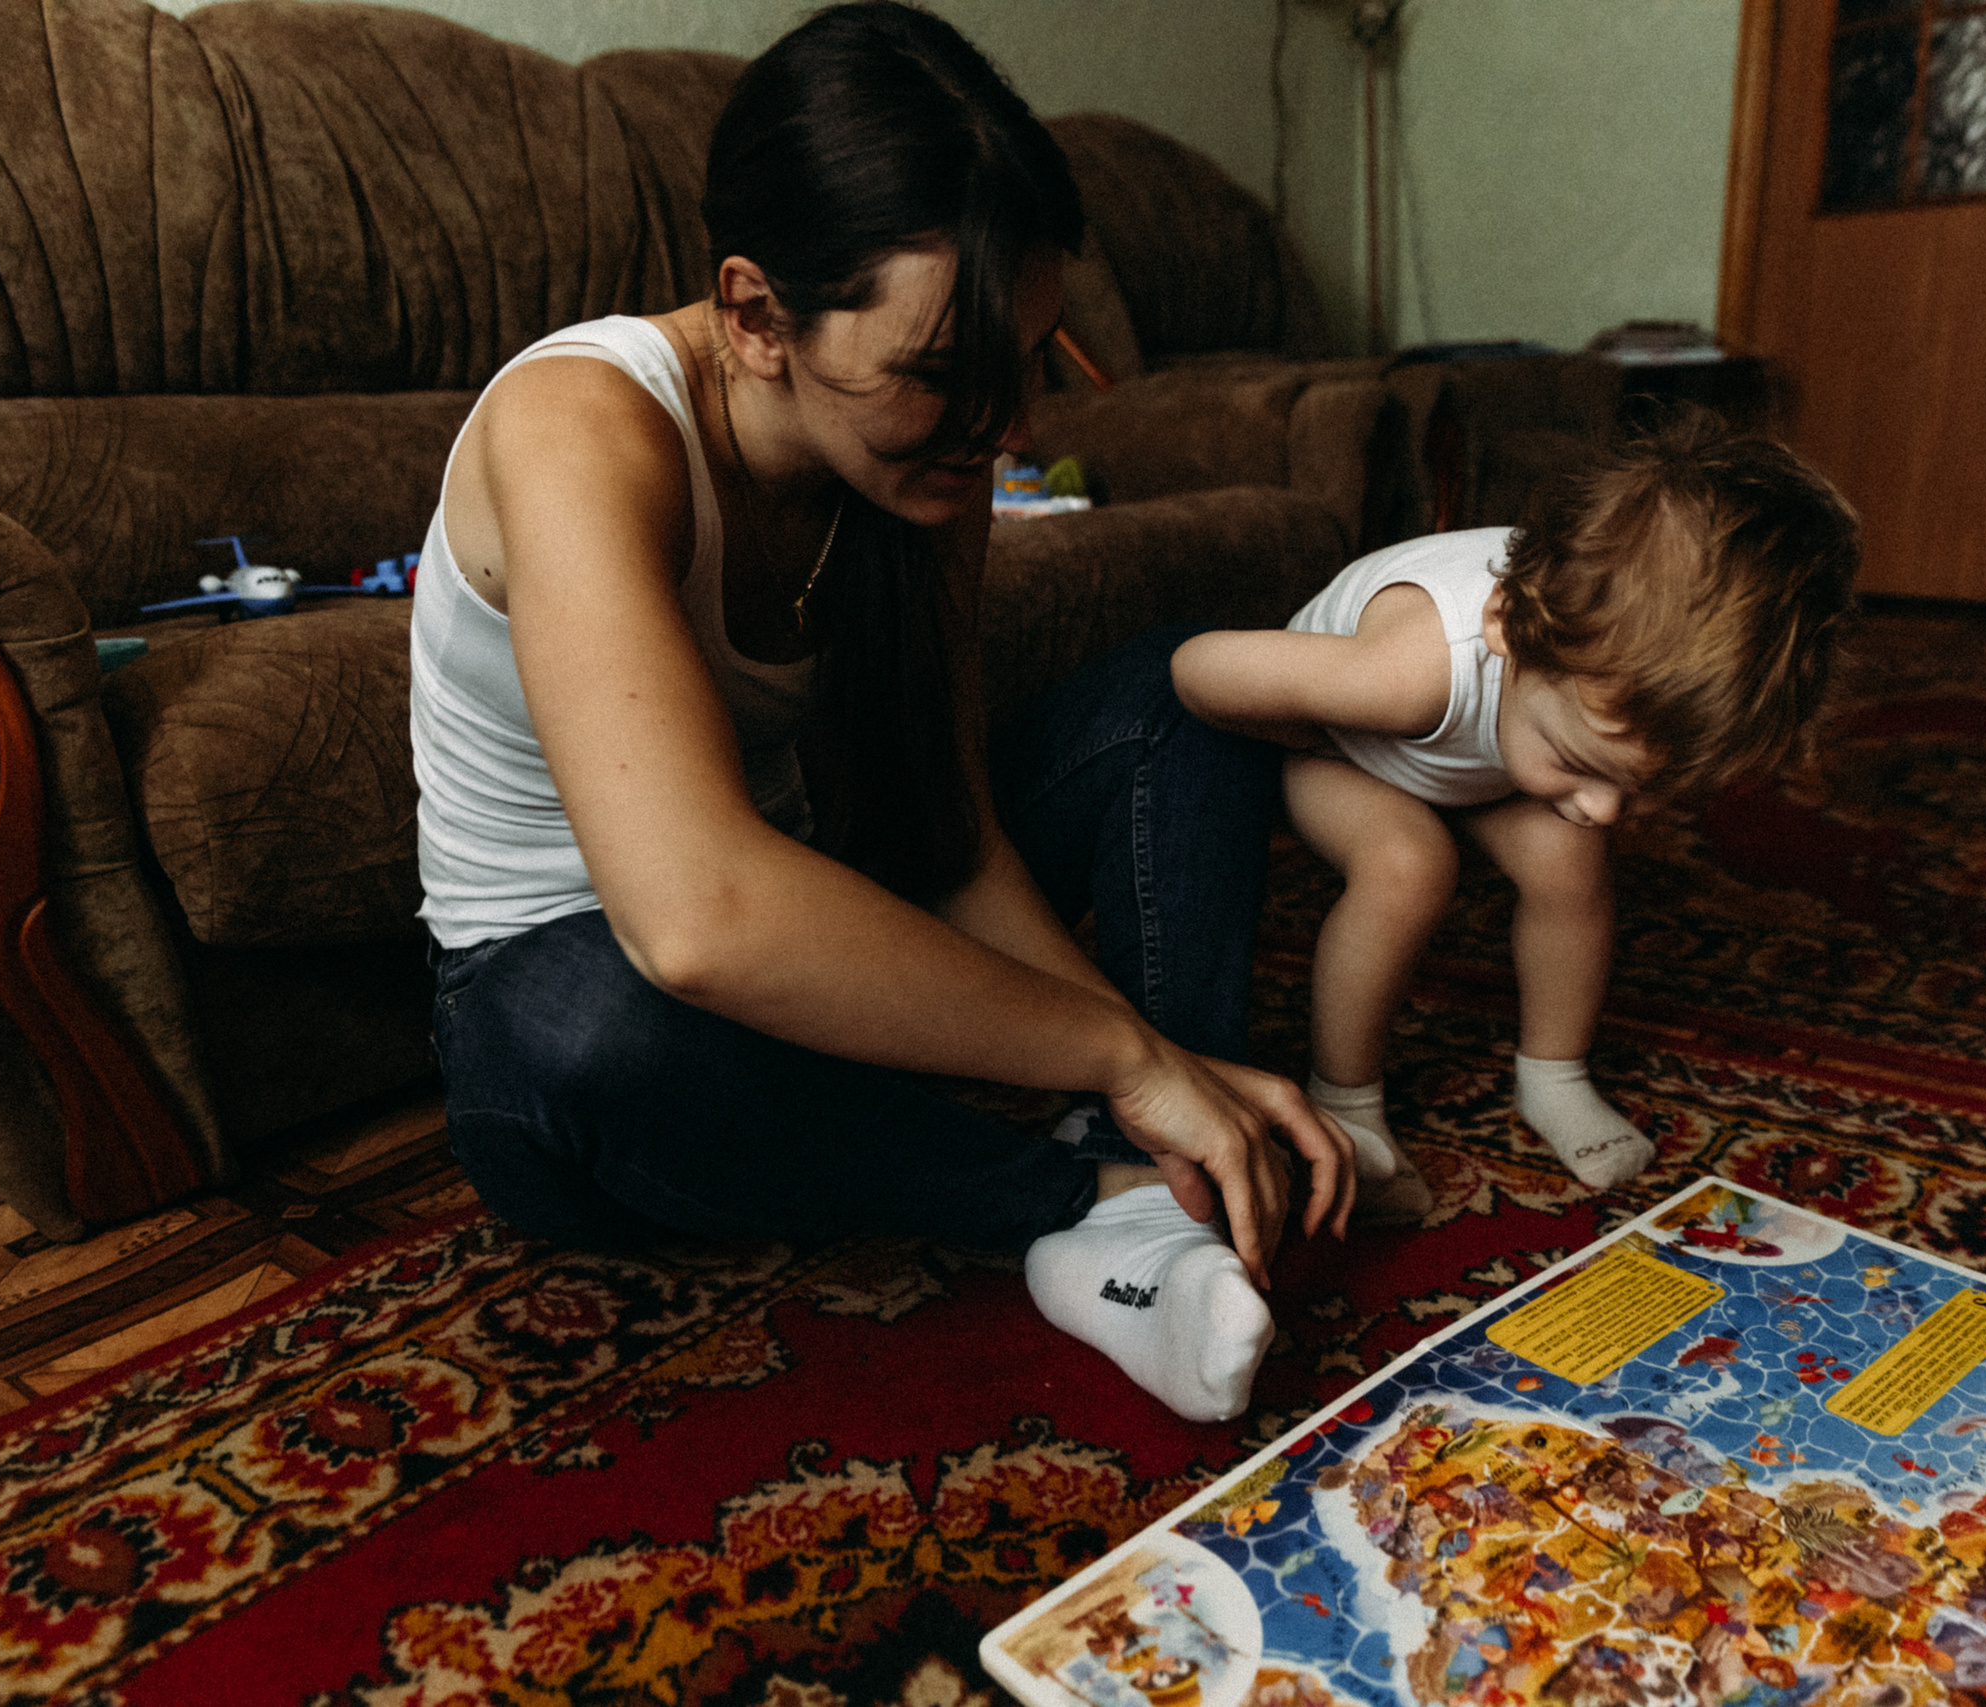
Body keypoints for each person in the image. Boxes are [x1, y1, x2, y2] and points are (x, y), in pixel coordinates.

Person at [408, 2, 1353, 1425]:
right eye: (941, 372)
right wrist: (1125, 1050)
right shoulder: (580, 429)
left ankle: (1166, 1168)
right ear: (752, 313)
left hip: (813, 905)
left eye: (1027, 361)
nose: (1009, 429)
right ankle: (1087, 1199)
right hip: (587, 1004)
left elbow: (943, 826)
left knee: (1182, 694)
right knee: (588, 1023)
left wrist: (1156, 1063)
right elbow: (699, 920)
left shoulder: (929, 463)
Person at [1171, 414, 1857, 1200]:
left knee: (1572, 858)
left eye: (1637, 788)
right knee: (1409, 866)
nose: (1605, 807)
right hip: (1341, 746)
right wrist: (1313, 728)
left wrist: (1557, 767)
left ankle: (1554, 1075)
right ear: (1505, 631)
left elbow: (1577, 774)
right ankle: (1346, 1104)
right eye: (1582, 765)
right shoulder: (1399, 670)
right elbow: (1198, 668)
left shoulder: (1574, 674)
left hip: (1483, 752)